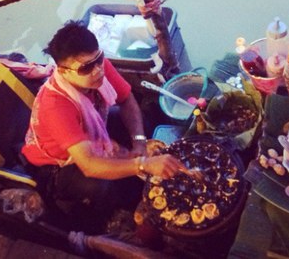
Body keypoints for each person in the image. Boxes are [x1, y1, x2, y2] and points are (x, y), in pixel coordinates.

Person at [22, 20, 185, 231]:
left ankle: (129, 166)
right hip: (59, 164)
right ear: (63, 71)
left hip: (93, 128)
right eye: (86, 67)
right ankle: (119, 209)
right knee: (100, 185)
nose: (98, 70)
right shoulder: (56, 106)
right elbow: (89, 165)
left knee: (142, 122)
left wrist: (139, 143)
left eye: (99, 59)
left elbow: (126, 100)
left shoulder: (98, 66)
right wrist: (143, 164)